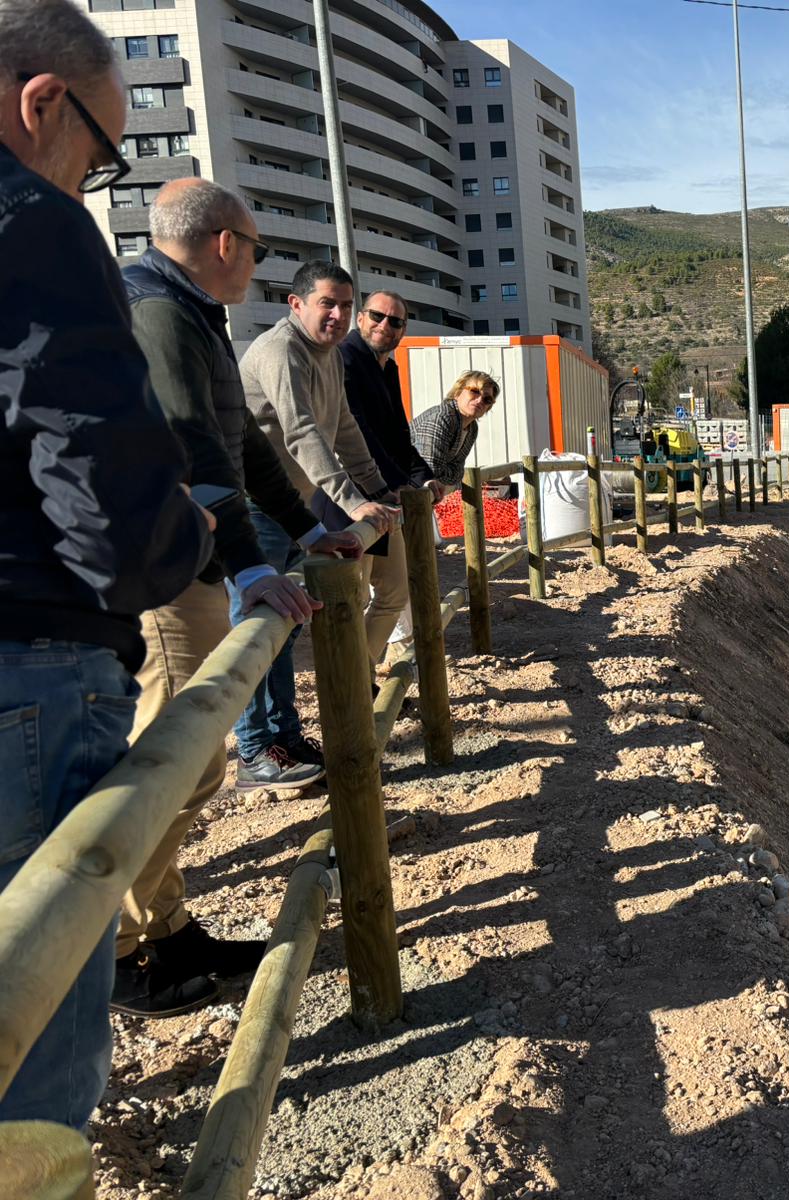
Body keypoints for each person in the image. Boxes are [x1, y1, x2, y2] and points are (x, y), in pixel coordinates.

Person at [0, 0, 213, 1129]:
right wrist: (185, 544)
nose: (96, 182)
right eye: (100, 151)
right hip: (27, 658)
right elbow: (99, 470)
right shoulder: (29, 220)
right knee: (31, 1025)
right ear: (42, 101)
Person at [118, 179, 364, 1015]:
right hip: (163, 568)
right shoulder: (158, 312)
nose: (256, 267)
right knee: (168, 758)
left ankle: (164, 924)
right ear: (225, 242)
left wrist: (297, 532)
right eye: (255, 250)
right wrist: (245, 565)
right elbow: (195, 446)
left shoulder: (190, 313)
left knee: (191, 761)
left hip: (189, 559)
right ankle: (123, 947)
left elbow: (245, 448)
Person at [238, 261, 398, 764]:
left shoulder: (326, 355)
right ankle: (255, 748)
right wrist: (355, 502)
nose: (338, 314)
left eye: (345, 305)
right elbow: (301, 432)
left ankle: (284, 735)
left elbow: (344, 427)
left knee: (286, 624)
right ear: (296, 304)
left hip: (291, 505)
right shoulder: (282, 350)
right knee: (255, 628)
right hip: (253, 505)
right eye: (328, 303)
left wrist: (379, 489)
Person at [338, 290, 443, 663]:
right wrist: (398, 484)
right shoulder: (345, 360)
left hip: (386, 499)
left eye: (395, 321)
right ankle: (356, 685)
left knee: (395, 594)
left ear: (403, 329)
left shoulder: (389, 368)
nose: (385, 325)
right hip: (349, 500)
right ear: (361, 318)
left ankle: (360, 672)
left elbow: (398, 436)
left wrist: (422, 478)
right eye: (378, 316)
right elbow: (356, 435)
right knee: (356, 597)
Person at [412, 370, 499, 488]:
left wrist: (448, 474)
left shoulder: (472, 428)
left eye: (487, 399)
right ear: (457, 392)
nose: (479, 400)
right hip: (395, 489)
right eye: (474, 391)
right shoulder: (441, 418)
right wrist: (449, 474)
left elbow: (458, 471)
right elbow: (431, 471)